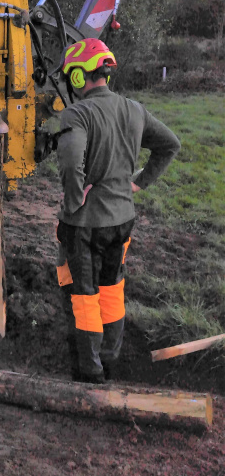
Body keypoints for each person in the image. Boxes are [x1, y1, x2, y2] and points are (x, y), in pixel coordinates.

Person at [55, 38, 181, 384]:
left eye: (71, 77)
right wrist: (138, 183)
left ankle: (89, 371)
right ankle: (109, 361)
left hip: (85, 225)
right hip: (123, 220)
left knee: (84, 295)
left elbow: (70, 164)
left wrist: (73, 200)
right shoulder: (134, 109)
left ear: (79, 77)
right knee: (112, 289)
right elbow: (170, 144)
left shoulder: (77, 113)